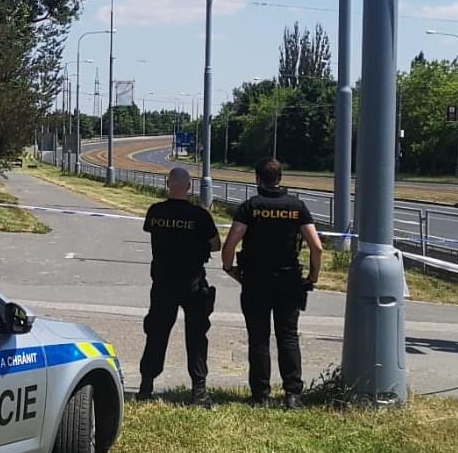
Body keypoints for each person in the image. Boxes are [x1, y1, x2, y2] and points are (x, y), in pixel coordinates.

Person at [221, 158, 324, 409]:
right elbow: (317, 247)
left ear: (258, 178)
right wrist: (312, 277)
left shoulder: (250, 207)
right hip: (288, 280)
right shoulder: (297, 206)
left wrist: (229, 268)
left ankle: (260, 395)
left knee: (259, 337)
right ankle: (292, 394)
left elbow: (231, 242)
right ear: (280, 179)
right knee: (288, 336)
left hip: (255, 280)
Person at [138, 167, 221, 405]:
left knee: (156, 334)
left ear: (167, 184)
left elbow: (151, 230)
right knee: (196, 337)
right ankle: (199, 390)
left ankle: (146, 386)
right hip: (192, 284)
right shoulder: (200, 216)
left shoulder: (155, 212)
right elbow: (215, 245)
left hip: (163, 283)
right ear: (189, 187)